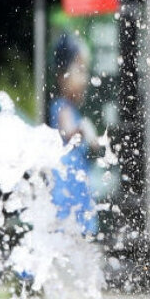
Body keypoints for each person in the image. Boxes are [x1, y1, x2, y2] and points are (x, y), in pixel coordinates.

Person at [48, 35, 100, 235]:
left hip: (75, 188)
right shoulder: (62, 108)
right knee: (70, 234)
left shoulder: (71, 110)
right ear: (62, 75)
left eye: (86, 71)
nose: (85, 79)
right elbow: (68, 133)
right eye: (79, 70)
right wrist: (83, 128)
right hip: (67, 191)